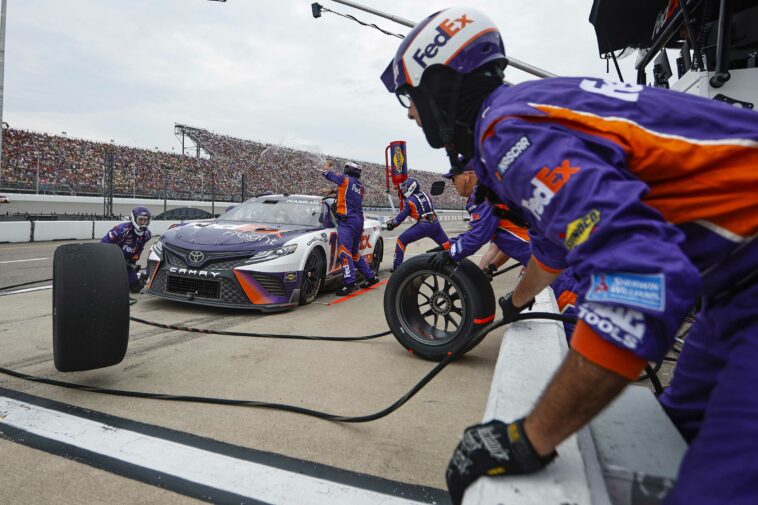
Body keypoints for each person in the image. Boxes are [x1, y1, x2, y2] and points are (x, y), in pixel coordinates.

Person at [380, 6, 758, 505]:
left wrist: (528, 437)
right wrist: (515, 304)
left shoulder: (505, 131)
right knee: (672, 428)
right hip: (732, 288)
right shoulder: (529, 113)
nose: (411, 113)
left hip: (744, 278)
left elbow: (640, 280)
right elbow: (554, 249)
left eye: (412, 98)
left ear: (443, 85)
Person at [430, 164, 577, 334]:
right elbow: (509, 239)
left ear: (468, 175)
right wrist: (490, 266)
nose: (452, 184)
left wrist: (450, 254)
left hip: (559, 269)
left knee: (573, 327)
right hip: (553, 260)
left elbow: (476, 238)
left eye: (454, 178)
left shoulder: (485, 194)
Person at [321, 161, 379, 295]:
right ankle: (371, 277)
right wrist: (331, 191)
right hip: (358, 221)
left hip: (347, 221)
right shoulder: (360, 186)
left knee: (344, 251)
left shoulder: (345, 179)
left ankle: (349, 283)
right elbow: (346, 192)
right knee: (354, 253)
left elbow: (328, 175)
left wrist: (326, 169)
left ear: (348, 170)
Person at [385, 177, 450, 272]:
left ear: (411, 188)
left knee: (401, 241)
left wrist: (392, 224)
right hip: (435, 223)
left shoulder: (410, 201)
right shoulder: (426, 195)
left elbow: (401, 216)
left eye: (405, 189)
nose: (404, 191)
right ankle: (454, 260)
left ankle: (397, 268)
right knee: (448, 244)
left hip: (424, 225)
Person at [101, 206, 152, 293]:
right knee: (111, 288)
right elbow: (103, 245)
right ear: (133, 219)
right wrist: (113, 259)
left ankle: (141, 276)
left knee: (136, 288)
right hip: (112, 260)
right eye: (140, 220)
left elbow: (140, 247)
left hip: (128, 263)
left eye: (145, 220)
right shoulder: (120, 230)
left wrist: (134, 259)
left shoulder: (147, 235)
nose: (143, 222)